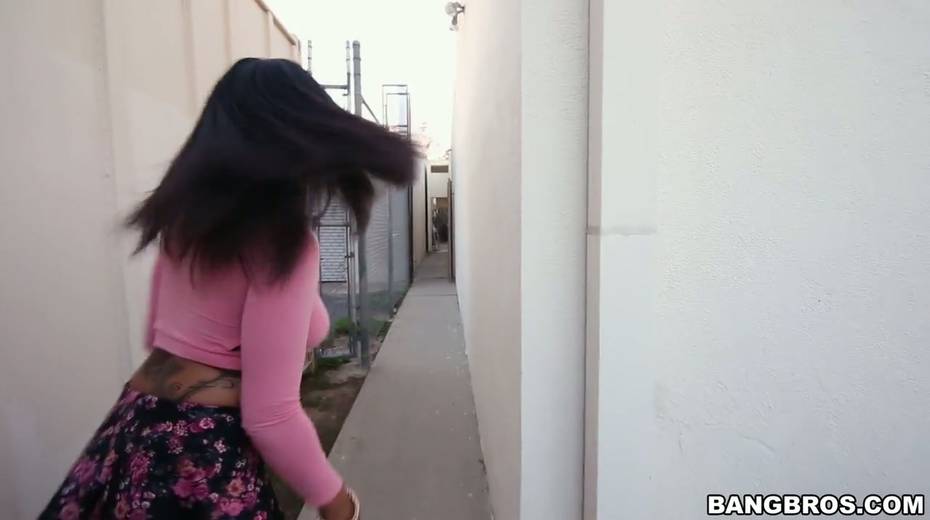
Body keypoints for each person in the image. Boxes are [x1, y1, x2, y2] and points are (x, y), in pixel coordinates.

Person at [40, 58, 416, 519]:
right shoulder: (282, 243)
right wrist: (340, 504)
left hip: (132, 424)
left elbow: (161, 333)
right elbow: (271, 416)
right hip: (200, 453)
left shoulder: (184, 224)